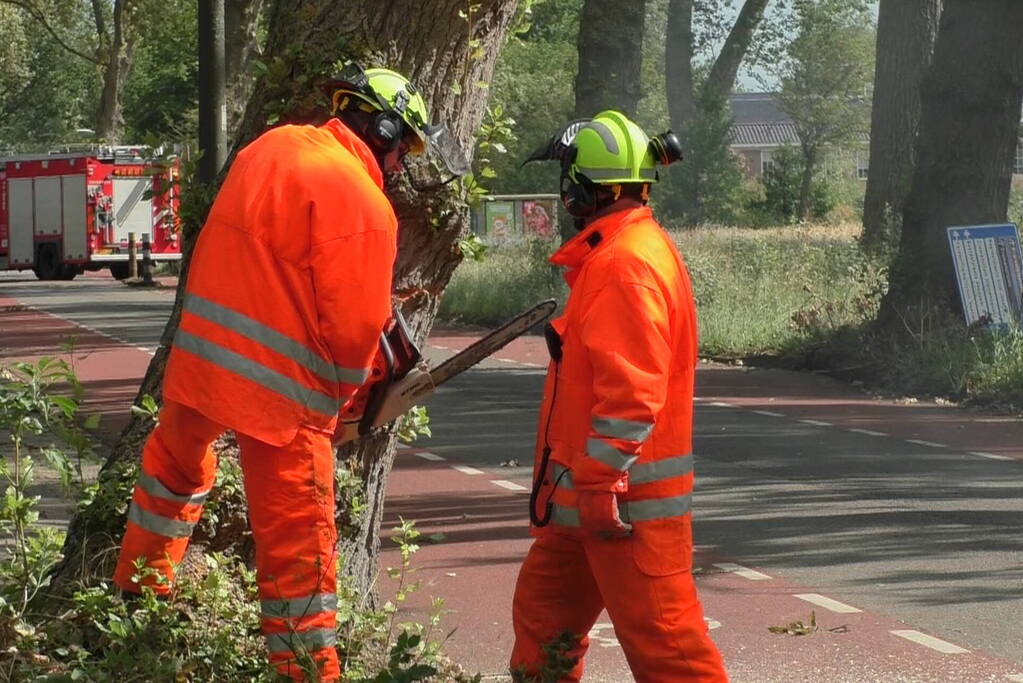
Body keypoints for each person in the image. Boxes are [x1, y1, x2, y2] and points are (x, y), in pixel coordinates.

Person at [112, 63, 445, 681]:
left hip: (201, 364)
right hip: (282, 395)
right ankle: (307, 671)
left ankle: (136, 596)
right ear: (384, 129)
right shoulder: (364, 202)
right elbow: (354, 332)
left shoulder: (269, 146)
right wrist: (349, 405)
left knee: (174, 470)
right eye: (403, 151)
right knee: (298, 536)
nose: (400, 167)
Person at [511, 111, 729, 682]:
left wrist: (603, 485)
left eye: (568, 179)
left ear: (586, 188)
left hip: (620, 507)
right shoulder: (619, 255)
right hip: (583, 502)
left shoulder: (623, 265)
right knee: (543, 630)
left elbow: (633, 395)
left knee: (670, 653)